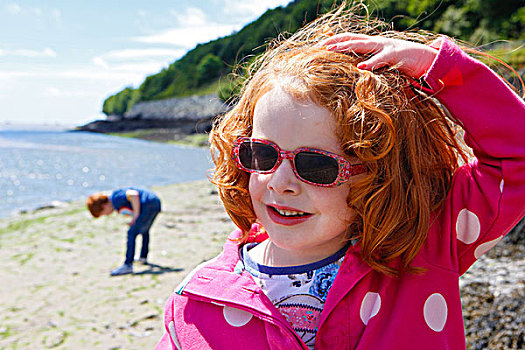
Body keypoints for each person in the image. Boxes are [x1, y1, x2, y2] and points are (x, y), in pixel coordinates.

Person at [155, 4, 525, 350]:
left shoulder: (425, 244)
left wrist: (441, 68)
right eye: (262, 155)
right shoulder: (196, 306)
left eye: (317, 166)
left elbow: (517, 157)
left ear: (381, 173)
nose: (279, 181)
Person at [87, 187, 161, 276]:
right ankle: (143, 257)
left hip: (149, 204)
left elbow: (134, 195)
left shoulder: (115, 199)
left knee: (132, 233)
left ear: (104, 206)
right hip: (154, 202)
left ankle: (128, 265)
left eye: (103, 213)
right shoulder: (115, 200)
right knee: (144, 230)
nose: (106, 215)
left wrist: (136, 216)